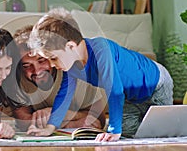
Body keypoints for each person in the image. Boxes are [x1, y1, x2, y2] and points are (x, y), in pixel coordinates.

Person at [26, 8, 173, 142]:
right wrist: (50, 127)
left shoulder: (101, 49)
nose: (51, 65)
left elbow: (114, 90)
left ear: (70, 46)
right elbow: (64, 95)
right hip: (130, 97)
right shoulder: (71, 66)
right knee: (128, 136)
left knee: (165, 132)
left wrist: (113, 130)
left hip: (156, 83)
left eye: (53, 58)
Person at [12, 25, 107, 131]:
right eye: (26, 66)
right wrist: (72, 124)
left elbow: (99, 119)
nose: (37, 71)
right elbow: (23, 122)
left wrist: (64, 114)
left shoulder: (76, 72)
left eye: (41, 60)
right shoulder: (17, 78)